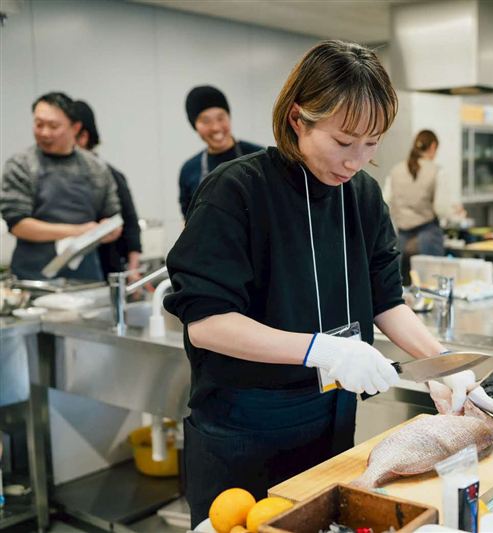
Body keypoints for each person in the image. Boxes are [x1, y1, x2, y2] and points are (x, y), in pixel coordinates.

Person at [163, 40, 452, 527]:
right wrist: (323, 350)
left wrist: (444, 367)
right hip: (243, 428)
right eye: (343, 141)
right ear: (298, 119)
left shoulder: (361, 194)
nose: (357, 160)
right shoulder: (236, 190)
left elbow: (387, 300)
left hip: (330, 421)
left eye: (373, 142)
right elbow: (207, 324)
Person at [0, 92, 121, 281]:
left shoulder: (95, 167)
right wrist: (79, 231)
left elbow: (112, 215)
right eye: (39, 124)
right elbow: (18, 224)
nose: (44, 132)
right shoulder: (21, 164)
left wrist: (109, 229)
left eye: (53, 126)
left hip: (86, 278)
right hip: (33, 278)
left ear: (75, 127)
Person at [72, 100, 143, 283]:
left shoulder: (109, 175)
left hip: (106, 273)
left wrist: (133, 271)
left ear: (83, 137)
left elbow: (131, 225)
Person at [383, 130, 460, 284]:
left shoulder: (396, 170)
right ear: (432, 147)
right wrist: (455, 213)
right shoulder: (437, 171)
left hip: (401, 241)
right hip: (428, 238)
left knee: (402, 291)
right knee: (430, 287)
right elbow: (441, 208)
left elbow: (385, 201)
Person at [178, 85, 264, 217]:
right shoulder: (189, 170)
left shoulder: (261, 157)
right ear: (195, 126)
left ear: (229, 117)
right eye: (206, 121)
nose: (216, 127)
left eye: (220, 118)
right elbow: (188, 221)